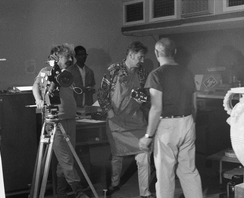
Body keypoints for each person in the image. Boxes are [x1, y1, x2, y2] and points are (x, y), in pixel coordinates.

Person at [139, 38, 203, 198]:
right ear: (174, 52)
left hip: (167, 125)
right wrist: (190, 123)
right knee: (189, 171)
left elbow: (156, 108)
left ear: (156, 53)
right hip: (188, 121)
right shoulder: (188, 72)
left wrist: (148, 136)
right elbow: (195, 104)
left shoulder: (156, 75)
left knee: (165, 174)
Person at [97, 41, 154, 198]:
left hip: (136, 120)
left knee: (144, 155)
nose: (142, 61)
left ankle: (145, 192)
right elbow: (102, 94)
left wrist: (143, 97)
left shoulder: (142, 72)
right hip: (116, 120)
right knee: (117, 156)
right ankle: (115, 184)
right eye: (140, 57)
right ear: (131, 54)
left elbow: (145, 93)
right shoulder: (113, 70)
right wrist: (109, 113)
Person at [32, 44, 89, 198]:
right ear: (56, 57)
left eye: (71, 56)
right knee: (65, 158)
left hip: (70, 118)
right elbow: (35, 87)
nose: (70, 59)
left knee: (67, 157)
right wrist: (38, 100)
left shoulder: (68, 73)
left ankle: (61, 193)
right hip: (56, 121)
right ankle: (78, 191)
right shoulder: (46, 72)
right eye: (67, 57)